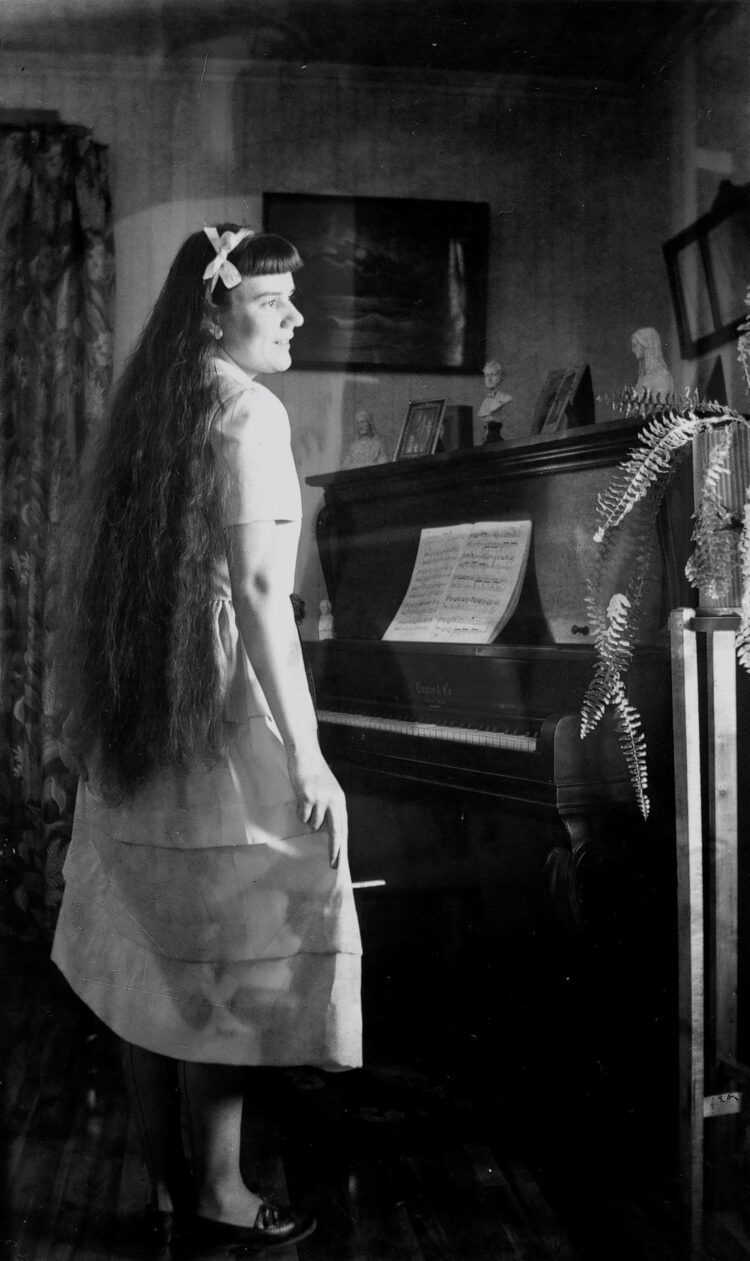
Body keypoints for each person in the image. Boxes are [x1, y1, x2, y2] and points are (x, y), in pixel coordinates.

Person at [50, 225, 362, 1254]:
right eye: (273, 302)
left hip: (143, 707)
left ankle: (166, 1186)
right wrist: (308, 755)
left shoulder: (157, 402)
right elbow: (264, 595)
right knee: (222, 947)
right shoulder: (250, 411)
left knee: (151, 952)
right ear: (216, 312)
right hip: (213, 711)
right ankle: (222, 1190)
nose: (295, 317)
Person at [630, 327, 674, 400]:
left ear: (645, 345)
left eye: (635, 346)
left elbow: (660, 404)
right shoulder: (643, 376)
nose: (633, 350)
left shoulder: (662, 376)